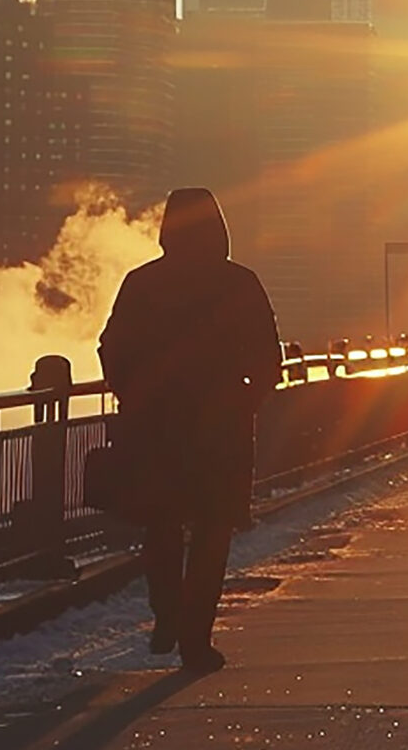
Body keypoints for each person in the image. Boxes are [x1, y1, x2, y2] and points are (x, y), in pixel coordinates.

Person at [98, 187, 283, 672]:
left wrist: (131, 396)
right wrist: (247, 397)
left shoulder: (142, 283)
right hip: (221, 431)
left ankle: (168, 613)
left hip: (156, 428)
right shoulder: (239, 283)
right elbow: (269, 355)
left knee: (161, 527)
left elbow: (111, 347)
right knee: (212, 532)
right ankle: (195, 639)